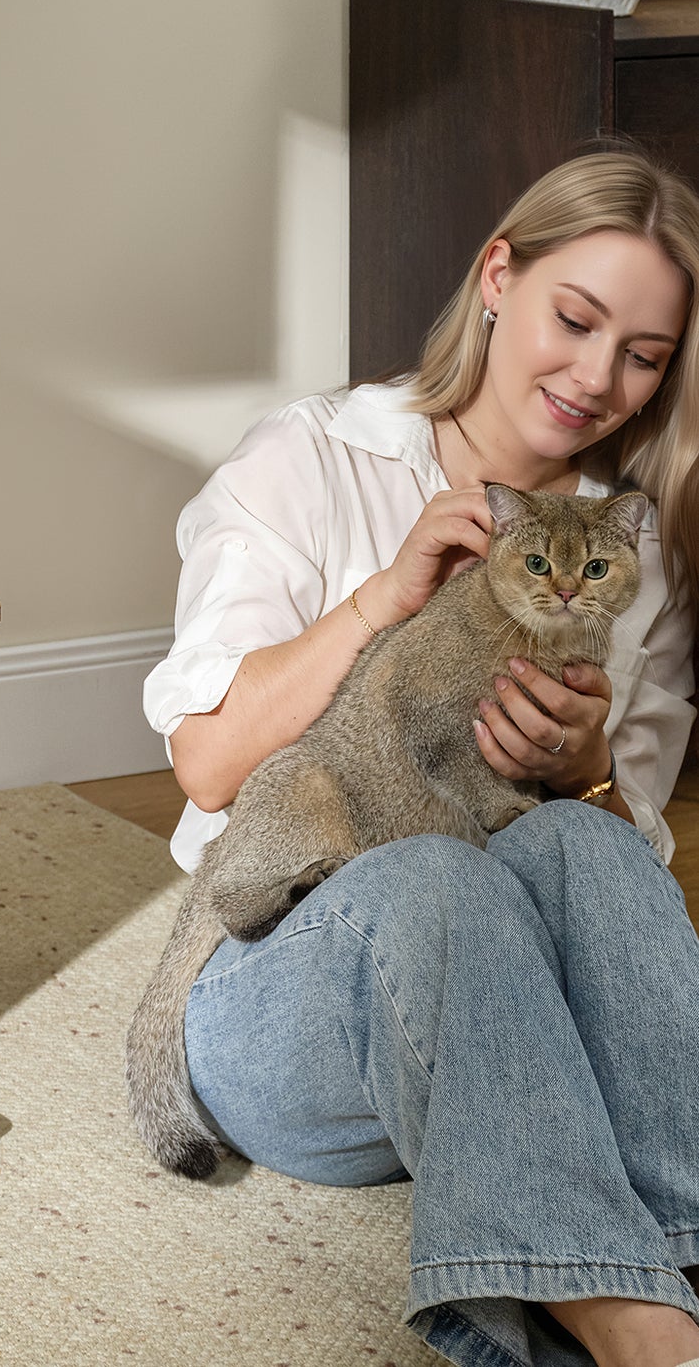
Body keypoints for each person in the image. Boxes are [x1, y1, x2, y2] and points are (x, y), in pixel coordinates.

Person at [144, 149, 699, 1367]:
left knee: (582, 849)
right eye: (574, 318)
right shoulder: (311, 455)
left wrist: (589, 763)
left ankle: (680, 1256)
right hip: (286, 993)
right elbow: (206, 765)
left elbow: (622, 861)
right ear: (497, 275)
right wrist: (376, 605)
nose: (597, 376)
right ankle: (638, 1333)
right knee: (439, 875)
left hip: (509, 1045)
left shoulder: (629, 544)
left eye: (643, 354)